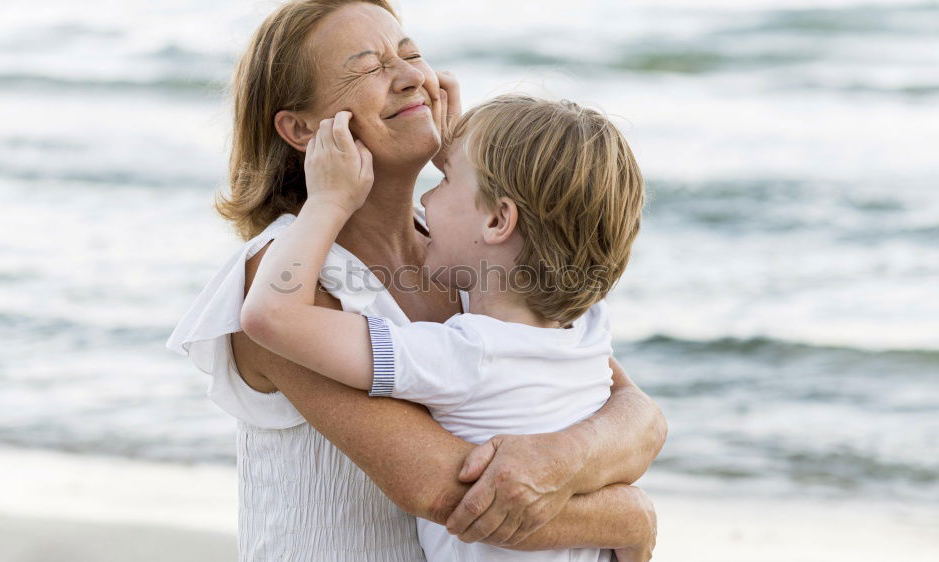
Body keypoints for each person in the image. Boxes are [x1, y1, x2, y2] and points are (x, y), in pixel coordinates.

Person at [166, 1, 667, 560]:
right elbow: (450, 491)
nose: (411, 78)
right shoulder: (282, 276)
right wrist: (629, 516)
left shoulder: (477, 256)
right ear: (302, 129)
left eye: (412, 56)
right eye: (369, 69)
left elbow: (637, 415)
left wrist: (561, 459)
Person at [240, 92, 646, 562]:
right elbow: (640, 414)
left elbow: (269, 315)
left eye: (444, 179)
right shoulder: (585, 328)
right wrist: (450, 152)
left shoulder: (459, 356)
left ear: (498, 219)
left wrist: (327, 203)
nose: (428, 196)